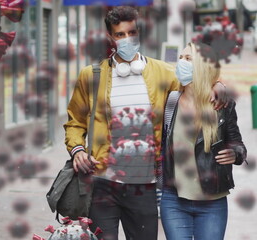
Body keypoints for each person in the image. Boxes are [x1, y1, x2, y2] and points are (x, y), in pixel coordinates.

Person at [64, 6, 229, 240]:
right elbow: (75, 122)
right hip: (101, 183)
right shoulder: (91, 76)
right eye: (119, 34)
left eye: (131, 32)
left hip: (144, 185)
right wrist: (77, 150)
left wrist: (219, 83)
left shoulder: (162, 72)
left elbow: (198, 77)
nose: (127, 39)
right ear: (110, 37)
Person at [160, 42, 247, 240]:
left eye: (188, 59)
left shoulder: (222, 104)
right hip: (174, 201)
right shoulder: (170, 101)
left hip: (212, 203)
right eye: (181, 58)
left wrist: (235, 154)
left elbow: (238, 145)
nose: (182, 62)